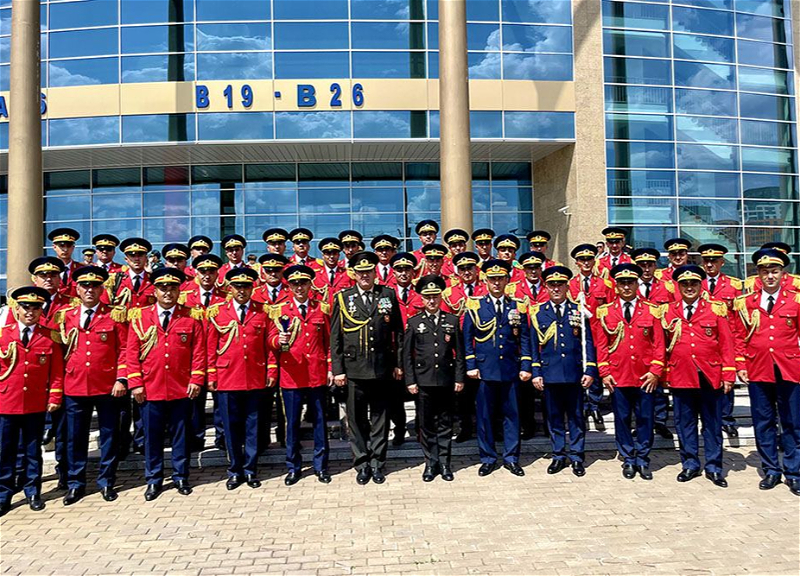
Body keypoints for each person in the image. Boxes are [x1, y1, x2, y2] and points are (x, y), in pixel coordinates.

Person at [126, 268, 205, 501]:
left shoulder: (190, 316)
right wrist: (136, 383)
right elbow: (131, 353)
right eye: (163, 288)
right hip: (150, 388)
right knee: (152, 437)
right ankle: (154, 479)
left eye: (172, 288)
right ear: (155, 291)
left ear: (179, 291)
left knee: (181, 435)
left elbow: (198, 351)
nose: (168, 293)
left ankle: (181, 476)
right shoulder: (140, 317)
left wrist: (196, 379)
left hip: (181, 387)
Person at [330, 251, 404, 485]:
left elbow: (398, 332)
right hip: (354, 369)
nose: (365, 276)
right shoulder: (344, 298)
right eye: (361, 272)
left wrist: (398, 364)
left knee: (381, 419)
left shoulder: (387, 294)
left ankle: (377, 463)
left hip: (381, 368)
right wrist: (338, 370)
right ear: (354, 274)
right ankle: (362, 463)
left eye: (369, 271)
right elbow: (336, 337)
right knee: (357, 420)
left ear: (375, 272)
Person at [56, 267, 128, 505]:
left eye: (95, 286)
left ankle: (107, 481)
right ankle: (76, 483)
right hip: (75, 385)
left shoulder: (114, 315)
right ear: (77, 289)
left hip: (107, 386)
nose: (90, 290)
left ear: (101, 289)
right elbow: (59, 351)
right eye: (85, 286)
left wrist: (121, 378)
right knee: (75, 437)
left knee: (109, 435)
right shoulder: (65, 316)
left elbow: (124, 349)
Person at [733, 249, 800, 496]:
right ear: (758, 274)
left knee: (792, 422)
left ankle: (794, 472)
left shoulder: (796, 300)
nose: (770, 276)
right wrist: (740, 365)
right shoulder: (746, 302)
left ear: (783, 274)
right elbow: (739, 336)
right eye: (765, 272)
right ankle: (771, 470)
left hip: (789, 369)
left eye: (775, 271)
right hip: (758, 369)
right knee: (763, 422)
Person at [663, 265, 735, 488]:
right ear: (678, 286)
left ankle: (714, 467)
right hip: (681, 374)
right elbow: (662, 345)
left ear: (700, 285)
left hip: (709, 374)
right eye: (684, 284)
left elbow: (726, 343)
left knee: (712, 423)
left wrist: (729, 373)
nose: (689, 287)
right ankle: (690, 464)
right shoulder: (667, 311)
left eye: (693, 283)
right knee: (685, 423)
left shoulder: (716, 309)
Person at [595, 264, 666, 480]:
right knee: (622, 418)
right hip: (619, 375)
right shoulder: (605, 311)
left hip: (645, 376)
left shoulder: (652, 309)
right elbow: (601, 344)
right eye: (622, 283)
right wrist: (604, 371)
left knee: (645, 418)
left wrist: (655, 371)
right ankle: (628, 457)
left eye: (630, 282)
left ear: (637, 284)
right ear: (616, 286)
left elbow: (659, 344)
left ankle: (643, 458)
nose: (626, 287)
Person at [463, 259, 532, 477]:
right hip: (485, 370)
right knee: (485, 417)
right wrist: (471, 364)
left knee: (512, 416)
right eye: (492, 279)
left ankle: (511, 458)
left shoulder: (517, 306)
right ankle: (488, 458)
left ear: (507, 280)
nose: (496, 283)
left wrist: (526, 365)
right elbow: (467, 338)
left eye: (500, 278)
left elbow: (525, 338)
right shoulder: (475, 305)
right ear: (486, 281)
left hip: (510, 369)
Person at [0, 287, 63, 517]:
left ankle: (33, 491)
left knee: (32, 450)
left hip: (35, 403)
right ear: (16, 309)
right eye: (25, 307)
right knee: (4, 451)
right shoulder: (2, 335)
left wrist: (54, 396)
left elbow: (56, 372)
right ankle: (3, 494)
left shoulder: (49, 337)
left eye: (36, 308)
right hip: (6, 401)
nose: (30, 312)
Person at [530, 266, 597, 477]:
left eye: (560, 284)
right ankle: (558, 455)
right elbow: (533, 347)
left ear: (567, 287)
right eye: (552, 285)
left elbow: (588, 342)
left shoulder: (578, 310)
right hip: (550, 374)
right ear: (546, 287)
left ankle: (577, 456)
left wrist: (589, 369)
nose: (556, 288)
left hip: (574, 372)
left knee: (576, 417)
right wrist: (536, 372)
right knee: (554, 417)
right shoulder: (538, 312)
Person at [268, 265, 332, 485]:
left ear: (309, 285)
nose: (299, 288)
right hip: (291, 375)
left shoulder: (321, 308)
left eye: (303, 283)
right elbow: (270, 340)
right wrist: (278, 341)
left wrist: (330, 367)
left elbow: (328, 342)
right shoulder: (279, 310)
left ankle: (321, 466)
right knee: (292, 423)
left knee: (320, 422)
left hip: (316, 373)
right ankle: (293, 466)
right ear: (289, 286)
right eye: (295, 284)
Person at [207, 268, 268, 490]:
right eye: (237, 287)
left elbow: (268, 345)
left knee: (253, 426)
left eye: (246, 286)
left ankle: (250, 469)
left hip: (254, 376)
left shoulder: (262, 311)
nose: (242, 291)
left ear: (252, 288)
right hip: (227, 376)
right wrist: (211, 374)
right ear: (230, 288)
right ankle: (235, 470)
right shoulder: (217, 312)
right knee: (231, 427)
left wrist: (270, 371)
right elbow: (210, 346)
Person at [404, 275, 466, 482]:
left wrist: (459, 378)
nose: (431, 301)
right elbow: (407, 355)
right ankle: (431, 463)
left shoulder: (452, 320)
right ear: (422, 299)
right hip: (423, 381)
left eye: (435, 296)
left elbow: (460, 353)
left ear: (441, 297)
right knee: (427, 424)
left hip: (446, 380)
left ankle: (445, 463)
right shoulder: (414, 322)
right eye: (427, 297)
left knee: (445, 423)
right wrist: (410, 381)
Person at [180, 254, 227, 452]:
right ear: (195, 273)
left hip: (219, 357)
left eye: (211, 271)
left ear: (217, 274)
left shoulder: (226, 297)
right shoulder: (184, 298)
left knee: (221, 403)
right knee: (194, 403)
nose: (207, 275)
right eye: (203, 271)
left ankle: (222, 438)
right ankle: (195, 439)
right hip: (193, 358)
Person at [631, 247, 676, 441]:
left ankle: (660, 421)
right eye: (642, 265)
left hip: (661, 341)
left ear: (655, 266)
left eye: (650, 265)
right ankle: (640, 423)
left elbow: (673, 311)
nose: (646, 269)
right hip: (639, 343)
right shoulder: (629, 285)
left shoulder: (667, 287)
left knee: (659, 383)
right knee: (638, 385)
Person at [699, 243, 742, 439]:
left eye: (714, 261)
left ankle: (727, 419)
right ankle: (707, 419)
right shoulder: (695, 283)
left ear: (722, 262)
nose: (710, 264)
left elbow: (739, 316)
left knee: (727, 378)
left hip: (727, 339)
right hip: (705, 341)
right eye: (706, 261)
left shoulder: (733, 285)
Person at [252, 254, 289, 450]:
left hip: (287, 356)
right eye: (269, 270)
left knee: (286, 403)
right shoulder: (254, 294)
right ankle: (261, 441)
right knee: (262, 402)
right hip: (261, 357)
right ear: (262, 273)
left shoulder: (291, 291)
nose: (273, 273)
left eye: (277, 270)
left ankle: (286, 439)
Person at [48, 227, 83, 296]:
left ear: (73, 247)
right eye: (62, 246)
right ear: (54, 247)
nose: (65, 249)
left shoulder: (81, 269)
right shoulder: (45, 270)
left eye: (69, 246)